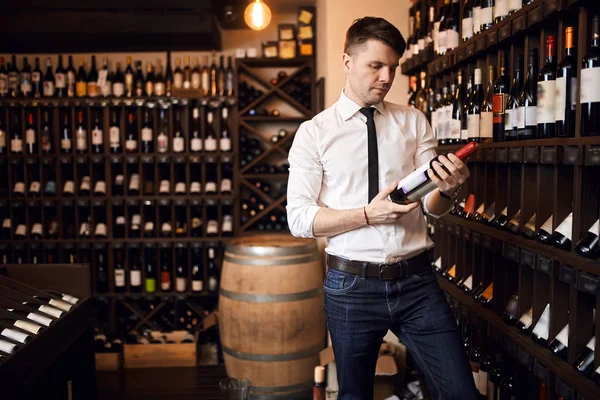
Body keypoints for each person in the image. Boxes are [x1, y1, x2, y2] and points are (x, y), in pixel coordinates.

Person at [286, 16, 478, 400]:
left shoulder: (413, 122)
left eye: (393, 67)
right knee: (354, 395)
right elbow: (300, 219)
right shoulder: (315, 132)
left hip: (417, 283)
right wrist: (368, 214)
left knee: (461, 394)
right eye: (376, 66)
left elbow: (433, 206)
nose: (387, 77)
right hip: (350, 286)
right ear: (348, 62)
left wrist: (449, 189)